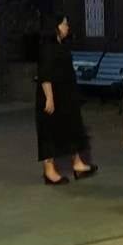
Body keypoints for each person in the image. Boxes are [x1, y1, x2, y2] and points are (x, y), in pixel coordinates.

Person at [36, 12, 97, 186]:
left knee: (72, 126)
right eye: (64, 24)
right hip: (52, 95)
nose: (67, 27)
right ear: (55, 27)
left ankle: (77, 163)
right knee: (49, 130)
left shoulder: (61, 45)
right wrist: (49, 98)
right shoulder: (47, 46)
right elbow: (45, 74)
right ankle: (49, 170)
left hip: (66, 95)